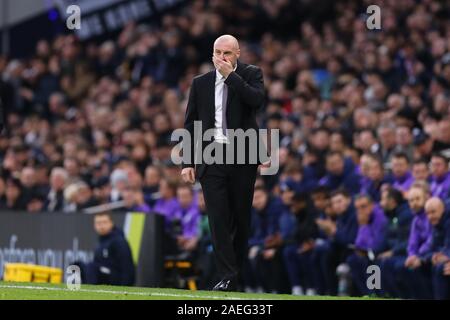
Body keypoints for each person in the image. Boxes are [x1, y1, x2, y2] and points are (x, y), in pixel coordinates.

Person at [181, 35, 265, 291]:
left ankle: (234, 275)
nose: (222, 57)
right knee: (218, 218)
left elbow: (256, 101)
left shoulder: (252, 74)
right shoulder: (201, 83)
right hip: (211, 156)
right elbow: (190, 123)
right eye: (218, 52)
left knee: (240, 218)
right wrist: (187, 161)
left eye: (227, 52)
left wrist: (231, 76)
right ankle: (228, 275)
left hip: (242, 154)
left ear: (238, 53)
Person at [76, 212, 135, 286]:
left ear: (111, 223)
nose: (101, 226)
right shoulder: (101, 241)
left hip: (115, 278)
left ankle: (92, 291)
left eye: (104, 222)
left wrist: (125, 287)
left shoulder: (119, 241)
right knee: (78, 265)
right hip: (103, 273)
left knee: (92, 268)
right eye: (98, 223)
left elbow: (127, 267)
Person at [345, 194, 387, 296]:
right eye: (358, 208)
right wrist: (363, 226)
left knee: (370, 259)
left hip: (381, 251)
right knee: (352, 259)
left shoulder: (380, 218)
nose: (360, 210)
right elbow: (359, 244)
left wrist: (363, 226)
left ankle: (376, 293)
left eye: (363, 206)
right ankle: (367, 293)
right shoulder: (362, 219)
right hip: (369, 252)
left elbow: (378, 243)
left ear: (372, 205)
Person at [245, 186, 285, 293]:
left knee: (263, 254)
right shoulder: (255, 213)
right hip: (264, 244)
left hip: (280, 245)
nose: (256, 201)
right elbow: (258, 235)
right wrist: (255, 244)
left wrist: (261, 245)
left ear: (266, 196)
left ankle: (273, 289)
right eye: (254, 198)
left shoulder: (276, 208)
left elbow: (276, 235)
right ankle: (253, 287)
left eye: (259, 197)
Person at [376, 187, 413, 298]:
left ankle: (398, 296)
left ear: (392, 201)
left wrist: (392, 252)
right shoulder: (390, 215)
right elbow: (387, 239)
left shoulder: (405, 215)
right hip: (396, 253)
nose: (380, 203)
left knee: (388, 264)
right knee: (373, 262)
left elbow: (408, 241)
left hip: (405, 254)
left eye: (383, 199)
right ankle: (381, 295)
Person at [401, 182, 434, 299]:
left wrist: (418, 256)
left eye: (417, 199)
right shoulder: (416, 219)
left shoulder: (432, 214)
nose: (414, 203)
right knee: (405, 267)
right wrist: (411, 255)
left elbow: (432, 239)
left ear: (427, 197)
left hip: (433, 253)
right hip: (421, 255)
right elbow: (412, 242)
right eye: (411, 200)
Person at [424, 197, 450, 299]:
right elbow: (432, 248)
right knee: (419, 266)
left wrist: (446, 255)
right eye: (428, 213)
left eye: (433, 212)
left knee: (441, 268)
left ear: (443, 209)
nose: (430, 216)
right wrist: (431, 257)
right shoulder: (437, 225)